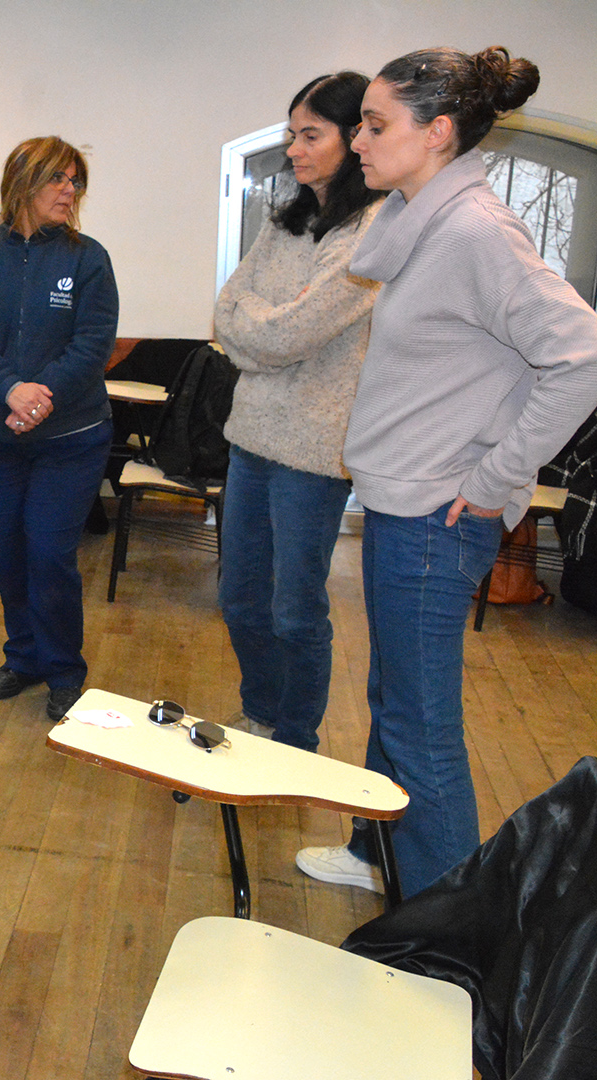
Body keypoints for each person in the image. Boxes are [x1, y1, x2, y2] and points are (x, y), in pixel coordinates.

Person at [297, 47, 597, 896]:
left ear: (437, 133)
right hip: (409, 503)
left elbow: (582, 358)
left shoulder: (475, 232)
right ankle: (376, 852)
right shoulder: (423, 226)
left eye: (375, 124)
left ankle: (442, 930)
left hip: (439, 516)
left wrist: (497, 477)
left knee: (420, 726)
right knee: (393, 696)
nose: (358, 140)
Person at [213, 74, 383, 753]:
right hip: (250, 437)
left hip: (313, 453)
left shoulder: (373, 231)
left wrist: (263, 331)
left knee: (295, 612)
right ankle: (260, 713)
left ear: (355, 138)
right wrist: (269, 330)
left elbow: (288, 333)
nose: (294, 149)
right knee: (239, 599)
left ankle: (293, 740)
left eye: (310, 135)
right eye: (292, 135)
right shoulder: (286, 219)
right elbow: (227, 312)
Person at [0, 137, 120, 723]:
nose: (70, 191)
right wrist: (10, 391)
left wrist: (39, 395)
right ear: (21, 184)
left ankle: (64, 671)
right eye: (58, 179)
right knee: (8, 553)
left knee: (49, 553)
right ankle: (23, 657)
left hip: (69, 440)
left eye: (75, 181)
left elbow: (92, 344)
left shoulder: (88, 259)